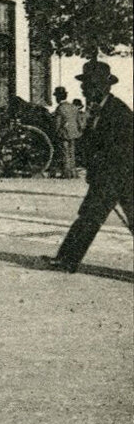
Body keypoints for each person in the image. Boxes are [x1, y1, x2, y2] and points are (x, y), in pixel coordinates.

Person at [45, 61, 134, 273]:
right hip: (110, 177)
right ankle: (66, 259)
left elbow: (124, 149)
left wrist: (100, 169)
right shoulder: (99, 109)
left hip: (119, 176)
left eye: (87, 85)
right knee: (89, 217)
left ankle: (67, 260)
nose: (83, 89)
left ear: (101, 87)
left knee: (90, 217)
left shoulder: (118, 111)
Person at [50, 86, 81, 180]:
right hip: (74, 133)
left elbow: (57, 123)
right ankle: (73, 173)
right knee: (72, 153)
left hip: (64, 133)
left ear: (58, 98)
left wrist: (55, 133)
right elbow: (79, 121)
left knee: (65, 152)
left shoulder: (60, 108)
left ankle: (66, 173)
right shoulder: (73, 107)